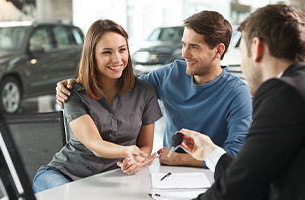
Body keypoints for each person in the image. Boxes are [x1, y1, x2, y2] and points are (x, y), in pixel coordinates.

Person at [55, 11, 253, 168]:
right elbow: (123, 85)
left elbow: (235, 156)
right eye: (184, 44)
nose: (185, 53)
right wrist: (75, 83)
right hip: (167, 174)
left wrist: (179, 159)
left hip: (212, 177)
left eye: (194, 47)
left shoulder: (237, 93)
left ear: (218, 50)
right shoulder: (169, 74)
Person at [179, 4, 305, 200]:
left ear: (257, 47)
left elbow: (239, 188)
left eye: (242, 51)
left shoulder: (283, 94)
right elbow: (256, 173)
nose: (243, 65)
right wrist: (211, 152)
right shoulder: (298, 86)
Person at [32, 19, 162, 193]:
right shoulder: (73, 94)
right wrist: (128, 151)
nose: (117, 59)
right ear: (91, 55)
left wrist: (136, 159)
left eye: (122, 50)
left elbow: (145, 145)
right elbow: (95, 144)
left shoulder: (144, 92)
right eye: (107, 52)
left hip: (113, 178)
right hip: (64, 175)